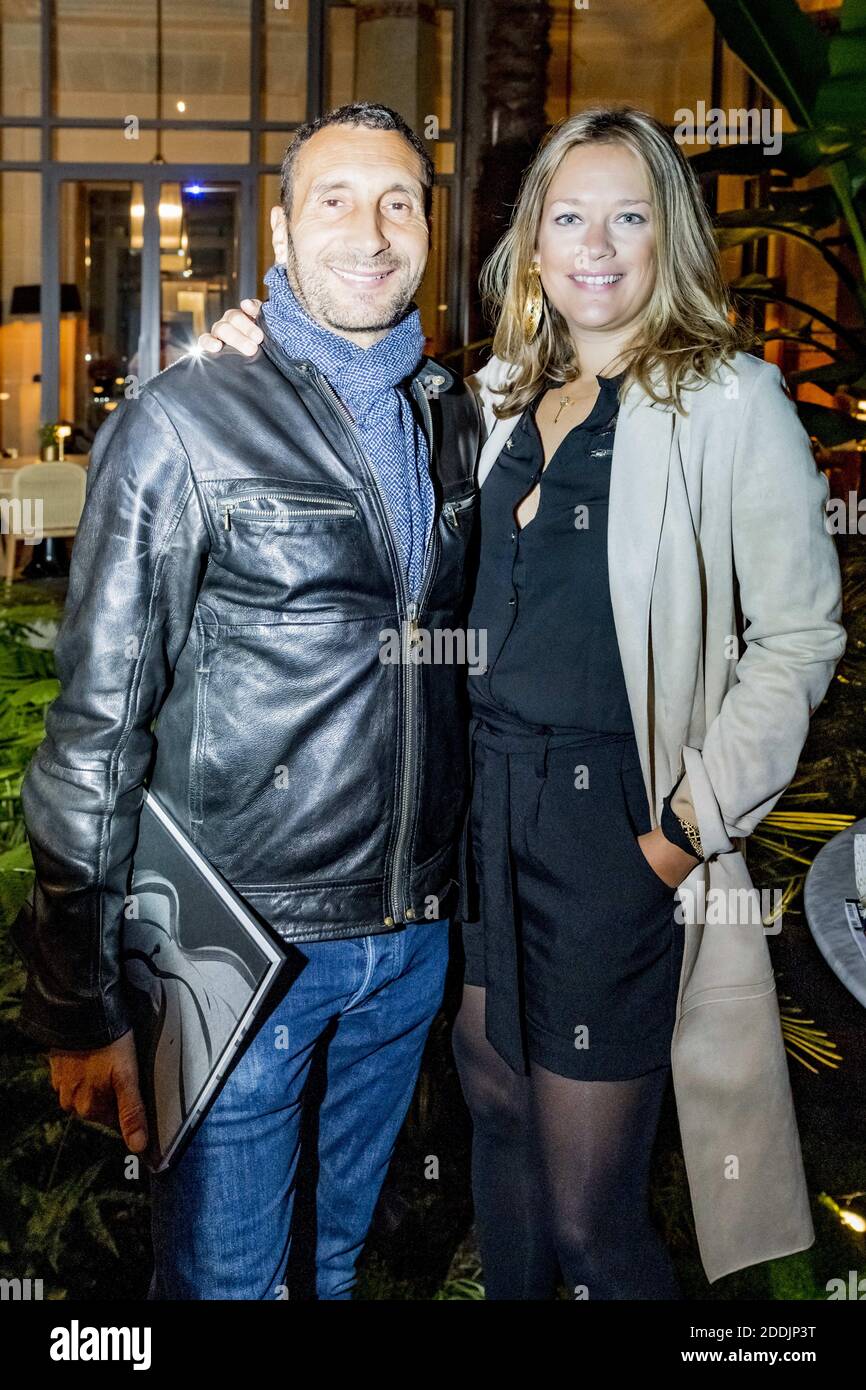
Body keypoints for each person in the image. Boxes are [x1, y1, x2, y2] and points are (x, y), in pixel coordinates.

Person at [204, 105, 847, 1298]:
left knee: (590, 1207)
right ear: (530, 245)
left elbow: (799, 633)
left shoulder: (724, 400)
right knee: (495, 1109)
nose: (595, 245)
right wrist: (250, 349)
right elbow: (346, 409)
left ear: (669, 240)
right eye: (567, 217)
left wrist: (681, 831)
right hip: (481, 814)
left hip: (618, 824)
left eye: (627, 217)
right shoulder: (492, 395)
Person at [11, 101, 482, 1300]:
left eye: (397, 202)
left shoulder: (454, 419)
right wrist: (78, 998)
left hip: (409, 943)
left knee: (327, 1266)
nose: (369, 231)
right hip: (240, 948)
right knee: (227, 1287)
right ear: (279, 227)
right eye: (334, 200)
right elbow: (94, 738)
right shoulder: (180, 426)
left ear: (430, 227)